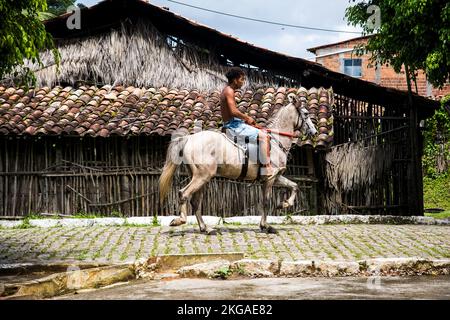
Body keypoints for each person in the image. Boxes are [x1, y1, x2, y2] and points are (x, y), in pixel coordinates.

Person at [220, 67, 277, 180]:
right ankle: (266, 168)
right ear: (235, 80)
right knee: (264, 136)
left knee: (263, 132)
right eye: (242, 79)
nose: (243, 82)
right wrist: (247, 118)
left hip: (234, 123)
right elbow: (233, 111)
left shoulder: (226, 90)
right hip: (233, 126)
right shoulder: (229, 91)